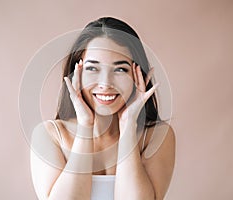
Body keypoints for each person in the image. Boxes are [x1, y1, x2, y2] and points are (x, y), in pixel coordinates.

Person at [30, 17, 175, 200]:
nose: (106, 84)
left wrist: (128, 125)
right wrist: (85, 125)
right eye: (92, 68)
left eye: (120, 70)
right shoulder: (49, 135)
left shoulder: (156, 137)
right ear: (77, 74)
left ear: (138, 75)